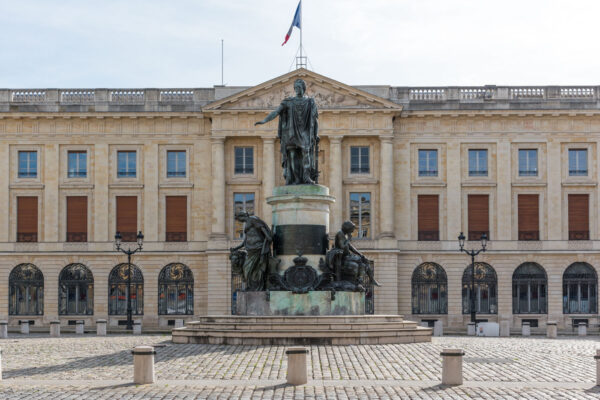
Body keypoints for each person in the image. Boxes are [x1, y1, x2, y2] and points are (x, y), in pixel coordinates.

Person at [255, 78, 319, 185]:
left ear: (303, 88)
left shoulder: (310, 102)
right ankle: (296, 178)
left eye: (299, 87)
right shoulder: (288, 102)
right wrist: (264, 120)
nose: (297, 90)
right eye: (295, 88)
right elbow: (276, 112)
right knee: (292, 156)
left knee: (306, 154)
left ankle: (306, 177)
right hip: (291, 133)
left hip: (304, 133)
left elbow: (314, 119)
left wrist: (315, 134)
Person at [229, 212, 273, 291]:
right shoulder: (247, 223)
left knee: (251, 269)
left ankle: (255, 287)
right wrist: (236, 248)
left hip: (258, 248)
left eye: (239, 219)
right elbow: (245, 241)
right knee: (248, 269)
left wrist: (267, 235)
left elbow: (262, 227)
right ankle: (252, 286)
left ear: (243, 216)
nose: (240, 221)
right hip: (251, 249)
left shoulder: (252, 219)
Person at [332, 221, 380, 287]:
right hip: (343, 257)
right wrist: (349, 239)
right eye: (352, 230)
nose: (352, 232)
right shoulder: (340, 234)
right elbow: (343, 247)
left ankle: (362, 281)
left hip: (347, 256)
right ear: (348, 228)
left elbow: (350, 247)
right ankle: (370, 280)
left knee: (363, 262)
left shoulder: (343, 234)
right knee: (362, 260)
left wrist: (360, 254)